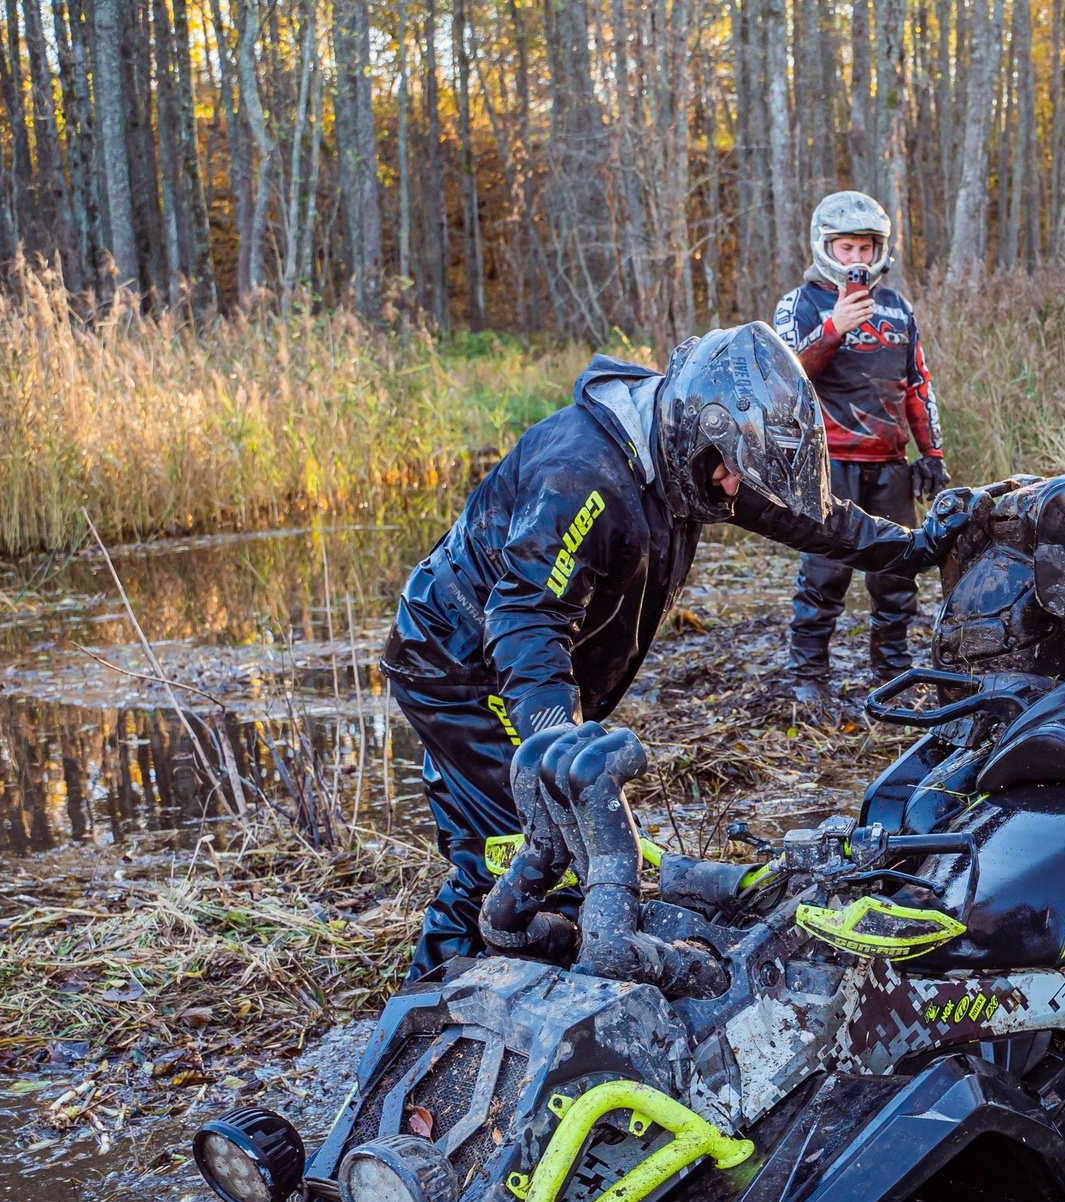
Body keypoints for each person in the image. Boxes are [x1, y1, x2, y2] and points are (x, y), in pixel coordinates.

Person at [383, 320, 970, 982]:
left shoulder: (693, 452)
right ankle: (435, 1006)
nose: (731, 488)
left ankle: (479, 987)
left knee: (519, 850)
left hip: (520, 661)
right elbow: (526, 615)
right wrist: (559, 747)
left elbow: (805, 514)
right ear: (698, 430)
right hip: (460, 661)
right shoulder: (583, 474)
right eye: (727, 471)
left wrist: (912, 546)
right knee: (525, 852)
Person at [771, 190, 950, 706]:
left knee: (896, 576)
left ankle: (891, 674)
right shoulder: (798, 304)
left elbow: (918, 383)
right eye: (845, 247)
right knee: (824, 575)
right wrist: (833, 329)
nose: (856, 259)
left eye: (866, 248)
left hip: (890, 465)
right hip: (828, 464)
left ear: (881, 250)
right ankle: (809, 680)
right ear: (825, 246)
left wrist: (931, 454)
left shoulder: (897, 307)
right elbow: (786, 381)